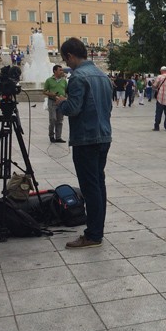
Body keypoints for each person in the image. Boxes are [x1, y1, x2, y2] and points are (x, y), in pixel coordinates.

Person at [55, 38, 113, 249]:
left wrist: (62, 103)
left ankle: (93, 234)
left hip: (86, 138)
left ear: (70, 56)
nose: (66, 64)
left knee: (90, 188)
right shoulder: (103, 76)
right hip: (104, 135)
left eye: (65, 59)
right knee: (98, 184)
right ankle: (97, 229)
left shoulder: (78, 77)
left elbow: (74, 108)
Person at [43, 64, 67, 143]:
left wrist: (65, 98)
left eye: (62, 70)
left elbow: (67, 91)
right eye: (60, 70)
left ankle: (58, 137)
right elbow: (44, 91)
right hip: (52, 101)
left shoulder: (64, 81)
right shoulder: (49, 80)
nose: (62, 71)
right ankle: (51, 135)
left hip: (61, 102)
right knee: (53, 119)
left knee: (60, 120)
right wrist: (52, 94)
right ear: (55, 71)